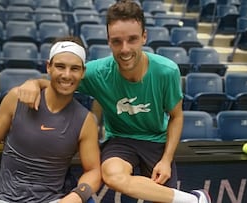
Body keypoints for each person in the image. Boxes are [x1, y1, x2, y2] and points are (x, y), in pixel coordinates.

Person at [16, 1, 212, 202]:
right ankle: (194, 200)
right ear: (109, 42)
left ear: (144, 37)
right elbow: (59, 80)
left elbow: (176, 116)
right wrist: (34, 83)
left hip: (156, 140)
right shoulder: (97, 72)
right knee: (111, 175)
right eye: (117, 41)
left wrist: (166, 160)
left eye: (132, 39)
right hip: (120, 139)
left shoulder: (166, 71)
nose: (125, 49)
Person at [0, 36, 101, 203]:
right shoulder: (16, 98)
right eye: (60, 66)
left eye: (75, 68)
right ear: (48, 67)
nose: (66, 75)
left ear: (83, 72)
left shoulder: (86, 121)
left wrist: (77, 196)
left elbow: (93, 170)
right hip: (5, 199)